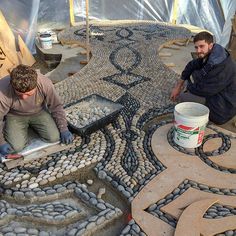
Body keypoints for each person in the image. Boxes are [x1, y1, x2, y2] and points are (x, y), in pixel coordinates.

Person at [0, 64, 73, 156]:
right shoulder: (2, 91)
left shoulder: (44, 83)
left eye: (29, 94)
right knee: (16, 148)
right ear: (12, 85)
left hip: (39, 112)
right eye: (19, 93)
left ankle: (30, 128)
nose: (23, 97)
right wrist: (1, 142)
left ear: (36, 84)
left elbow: (56, 106)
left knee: (54, 137)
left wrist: (64, 129)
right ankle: (22, 131)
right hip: (14, 115)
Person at [170, 31, 236, 125]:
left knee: (183, 97)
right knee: (195, 71)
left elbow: (204, 90)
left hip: (223, 110)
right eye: (196, 47)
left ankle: (208, 117)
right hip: (219, 94)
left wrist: (188, 87)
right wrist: (178, 86)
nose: (198, 50)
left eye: (201, 46)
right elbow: (191, 65)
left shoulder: (219, 65)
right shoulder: (215, 53)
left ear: (210, 45)